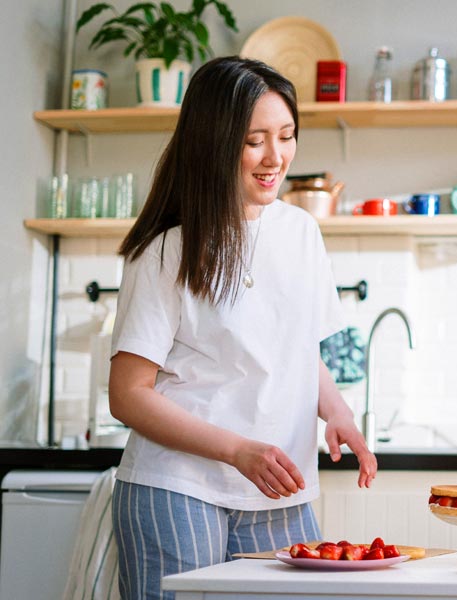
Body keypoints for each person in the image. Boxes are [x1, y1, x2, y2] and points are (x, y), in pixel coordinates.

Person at [108, 56, 376, 599]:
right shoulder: (168, 248)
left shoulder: (301, 232)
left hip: (279, 490)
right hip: (178, 488)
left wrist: (339, 413)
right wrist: (236, 450)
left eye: (286, 135)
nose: (275, 157)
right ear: (213, 141)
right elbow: (127, 395)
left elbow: (298, 351)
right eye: (255, 140)